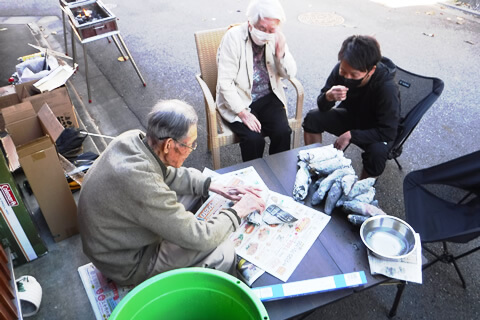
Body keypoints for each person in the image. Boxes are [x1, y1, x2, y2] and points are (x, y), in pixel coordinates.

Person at [78, 100, 266, 286]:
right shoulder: (142, 184)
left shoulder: (133, 139)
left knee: (199, 190)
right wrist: (239, 210)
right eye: (191, 145)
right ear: (169, 145)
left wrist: (211, 184)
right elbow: (201, 237)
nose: (192, 150)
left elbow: (166, 174)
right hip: (127, 263)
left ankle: (182, 228)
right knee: (223, 253)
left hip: (113, 236)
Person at [303, 35, 400, 179]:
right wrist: (328, 97)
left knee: (377, 153)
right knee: (313, 118)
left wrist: (351, 135)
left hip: (377, 129)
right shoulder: (341, 68)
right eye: (343, 72)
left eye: (354, 75)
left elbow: (389, 132)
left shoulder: (387, 88)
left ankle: (359, 191)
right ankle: (315, 167)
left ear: (371, 71)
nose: (346, 77)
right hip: (353, 116)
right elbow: (322, 106)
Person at [216, 0, 297, 161]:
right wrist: (243, 113)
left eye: (271, 29)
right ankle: (254, 180)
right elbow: (225, 83)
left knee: (283, 132)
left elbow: (290, 74)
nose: (267, 33)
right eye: (262, 28)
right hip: (239, 99)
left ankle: (278, 174)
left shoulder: (276, 36)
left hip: (268, 96)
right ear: (250, 23)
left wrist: (281, 55)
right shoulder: (233, 38)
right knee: (254, 139)